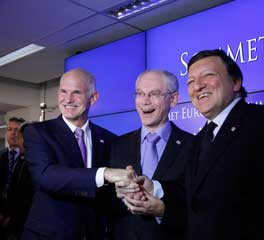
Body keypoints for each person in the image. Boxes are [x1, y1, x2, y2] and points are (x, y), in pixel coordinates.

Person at [120, 49, 264, 240]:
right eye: (191, 81)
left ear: (236, 82)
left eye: (208, 76)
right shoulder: (202, 137)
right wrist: (154, 188)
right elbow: (193, 196)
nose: (197, 86)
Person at [21, 68, 134, 240]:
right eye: (63, 91)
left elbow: (110, 196)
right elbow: (46, 175)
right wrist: (103, 173)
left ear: (93, 98)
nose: (68, 99)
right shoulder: (38, 132)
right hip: (48, 235)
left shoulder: (109, 139)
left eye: (76, 92)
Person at [108, 70, 194, 240]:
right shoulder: (118, 145)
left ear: (174, 99)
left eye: (154, 94)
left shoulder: (193, 146)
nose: (145, 101)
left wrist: (163, 210)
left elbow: (197, 206)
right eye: (140, 94)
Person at [0, 117, 32, 239]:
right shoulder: (1, 156)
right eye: (9, 129)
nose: (13, 133)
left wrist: (12, 217)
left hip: (19, 220)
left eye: (16, 130)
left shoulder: (29, 159)